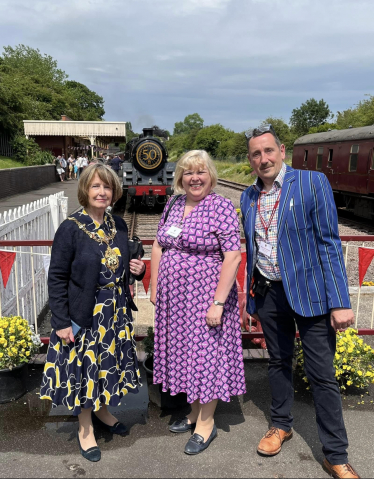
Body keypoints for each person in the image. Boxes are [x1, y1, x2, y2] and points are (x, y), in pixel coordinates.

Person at [240, 125, 359, 479]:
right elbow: (251, 247)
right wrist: (250, 300)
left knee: (322, 375)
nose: (263, 159)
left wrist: (340, 301)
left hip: (311, 295)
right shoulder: (248, 196)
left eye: (268, 151)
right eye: (255, 155)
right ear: (250, 161)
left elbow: (328, 243)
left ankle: (335, 454)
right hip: (269, 293)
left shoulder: (312, 183)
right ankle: (281, 425)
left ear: (282, 149)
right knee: (277, 362)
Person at [40, 163, 146, 462]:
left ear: (114, 192)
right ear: (85, 189)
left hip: (115, 313)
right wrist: (61, 322)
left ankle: (101, 411)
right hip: (85, 315)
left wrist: (138, 270)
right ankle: (85, 427)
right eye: (96, 186)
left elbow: (123, 266)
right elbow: (57, 278)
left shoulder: (119, 225)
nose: (102, 192)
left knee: (105, 366)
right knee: (86, 372)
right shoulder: (70, 229)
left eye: (107, 186)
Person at [151, 150, 246, 455]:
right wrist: (154, 283)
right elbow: (158, 243)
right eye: (189, 172)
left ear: (211, 176)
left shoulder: (220, 207)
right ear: (181, 177)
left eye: (201, 172)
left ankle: (206, 424)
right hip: (175, 301)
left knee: (206, 357)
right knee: (186, 355)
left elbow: (232, 255)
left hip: (206, 297)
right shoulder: (174, 203)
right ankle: (193, 413)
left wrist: (218, 303)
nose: (195, 178)